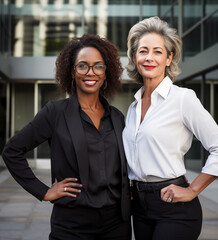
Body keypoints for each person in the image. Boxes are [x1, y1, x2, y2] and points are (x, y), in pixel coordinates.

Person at [2, 34, 131, 240]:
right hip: (72, 225)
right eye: (83, 66)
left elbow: (131, 161)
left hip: (116, 225)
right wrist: (43, 192)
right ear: (72, 72)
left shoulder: (116, 117)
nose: (91, 72)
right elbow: (12, 151)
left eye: (98, 66)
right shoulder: (55, 112)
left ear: (106, 73)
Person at [122, 16, 218, 240]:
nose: (149, 58)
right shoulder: (134, 107)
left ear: (169, 57)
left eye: (157, 51)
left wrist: (192, 190)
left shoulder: (183, 98)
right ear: (134, 57)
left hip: (174, 207)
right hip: (139, 208)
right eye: (143, 51)